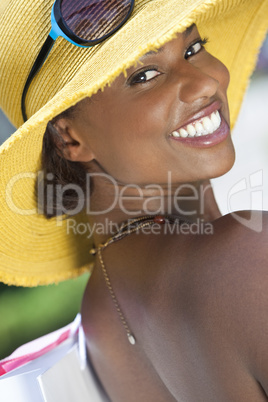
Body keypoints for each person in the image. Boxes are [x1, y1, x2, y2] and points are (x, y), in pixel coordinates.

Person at [0, 0, 267, 401]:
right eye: (145, 75)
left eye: (194, 48)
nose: (205, 83)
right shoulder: (246, 257)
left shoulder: (94, 330)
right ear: (68, 138)